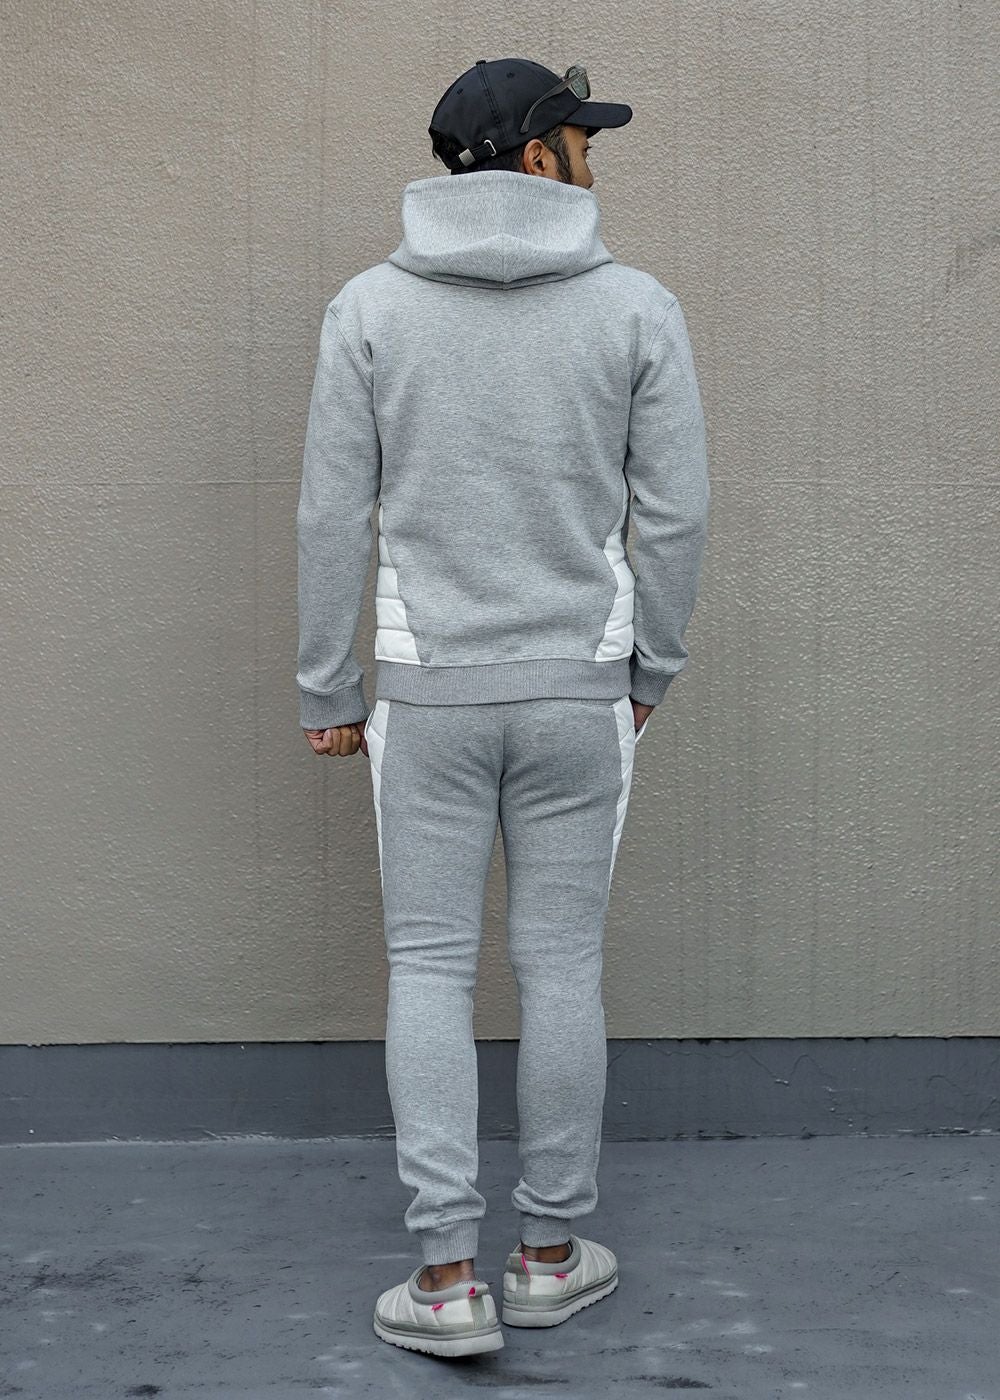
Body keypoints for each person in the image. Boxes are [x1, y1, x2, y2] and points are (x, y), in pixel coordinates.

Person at [296, 57, 710, 1359]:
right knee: (562, 966)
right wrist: (650, 669)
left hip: (425, 697)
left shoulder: (369, 308)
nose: (594, 158)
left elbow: (330, 515)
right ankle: (546, 1256)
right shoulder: (637, 307)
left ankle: (443, 1281)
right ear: (536, 157)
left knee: (427, 967)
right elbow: (675, 516)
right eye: (582, 140)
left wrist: (329, 685)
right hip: (580, 693)